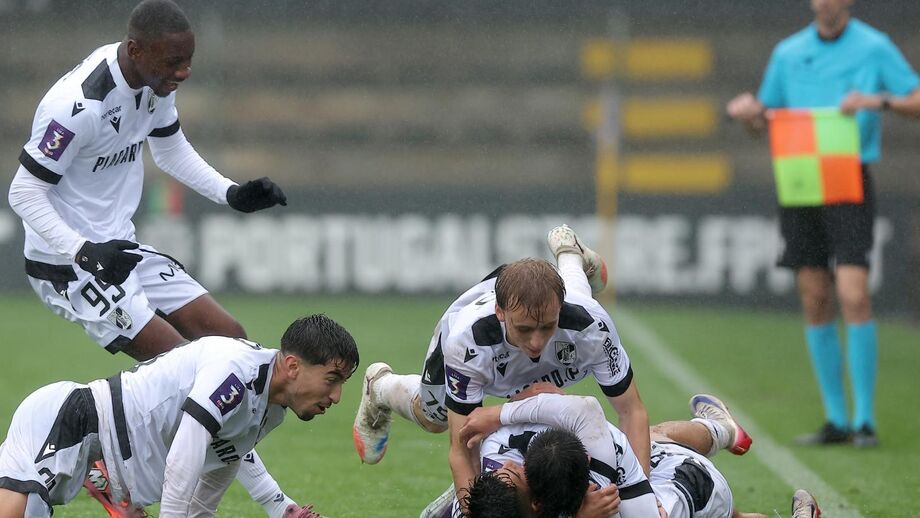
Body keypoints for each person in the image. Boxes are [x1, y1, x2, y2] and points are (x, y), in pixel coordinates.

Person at [6, 1, 292, 515]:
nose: (182, 73)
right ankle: (121, 478)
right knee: (193, 372)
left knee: (229, 339)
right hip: (67, 263)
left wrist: (231, 194)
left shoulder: (153, 83)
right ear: (136, 50)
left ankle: (130, 477)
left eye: (188, 61)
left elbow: (169, 149)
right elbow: (24, 192)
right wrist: (83, 250)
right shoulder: (78, 104)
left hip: (121, 247)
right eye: (172, 62)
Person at [725, 0, 920, 447]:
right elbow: (765, 118)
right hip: (801, 182)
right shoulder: (788, 53)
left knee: (853, 293)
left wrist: (879, 100)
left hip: (848, 179)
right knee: (814, 296)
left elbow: (915, 96)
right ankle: (836, 418)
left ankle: (865, 419)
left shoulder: (874, 46)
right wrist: (747, 115)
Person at [352, 224, 650, 509]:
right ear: (501, 313)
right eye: (524, 329)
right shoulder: (468, 341)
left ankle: (571, 255)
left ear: (559, 311)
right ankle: (379, 386)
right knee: (435, 417)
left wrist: (644, 495)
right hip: (471, 327)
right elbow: (462, 449)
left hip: (571, 311)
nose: (536, 343)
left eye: (547, 327)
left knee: (580, 299)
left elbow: (631, 411)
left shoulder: (591, 326)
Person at [0, 314, 358, 518]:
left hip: (104, 443)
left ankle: (108, 476)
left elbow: (219, 470)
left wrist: (280, 509)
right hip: (68, 418)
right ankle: (106, 476)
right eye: (332, 379)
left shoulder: (269, 408)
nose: (337, 396)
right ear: (293, 366)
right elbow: (182, 461)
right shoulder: (234, 372)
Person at [453, 392, 819, 518]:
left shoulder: (500, 491)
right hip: (693, 487)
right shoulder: (602, 504)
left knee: (645, 437)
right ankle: (720, 430)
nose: (512, 464)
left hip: (676, 485)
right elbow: (581, 409)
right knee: (649, 437)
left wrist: (499, 413)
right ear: (535, 503)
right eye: (515, 474)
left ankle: (721, 429)